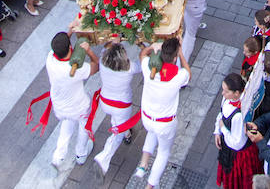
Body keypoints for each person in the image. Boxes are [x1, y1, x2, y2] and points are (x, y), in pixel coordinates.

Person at [135, 38, 191, 188]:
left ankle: (143, 165)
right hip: (165, 123)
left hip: (147, 118)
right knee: (163, 152)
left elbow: (142, 55)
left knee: (152, 133)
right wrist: (182, 55)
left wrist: (152, 47)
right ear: (174, 58)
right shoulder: (178, 76)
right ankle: (150, 185)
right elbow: (188, 73)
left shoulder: (149, 69)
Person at [37, 30, 99, 168]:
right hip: (79, 106)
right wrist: (89, 51)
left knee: (67, 123)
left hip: (59, 106)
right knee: (84, 125)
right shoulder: (75, 69)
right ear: (71, 47)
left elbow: (62, 44)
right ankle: (81, 153)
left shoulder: (50, 59)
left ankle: (58, 156)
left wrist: (70, 30)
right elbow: (96, 66)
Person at [92, 38, 141, 179]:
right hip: (121, 105)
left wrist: (113, 41)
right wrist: (140, 43)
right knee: (117, 134)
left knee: (118, 124)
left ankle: (127, 134)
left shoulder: (102, 61)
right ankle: (103, 159)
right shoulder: (130, 68)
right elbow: (143, 60)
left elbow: (105, 47)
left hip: (105, 101)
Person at [214, 72, 263, 189]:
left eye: (226, 91)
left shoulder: (238, 115)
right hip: (229, 146)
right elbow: (221, 114)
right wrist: (217, 131)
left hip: (237, 155)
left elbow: (237, 144)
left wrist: (222, 129)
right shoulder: (227, 99)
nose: (222, 93)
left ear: (236, 93)